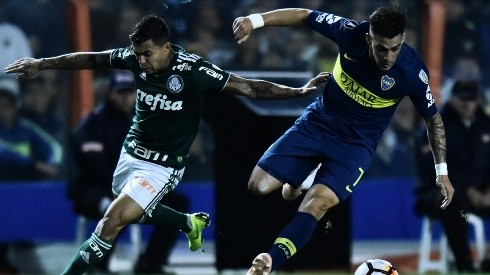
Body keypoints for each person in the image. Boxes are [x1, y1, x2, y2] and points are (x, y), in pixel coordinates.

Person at [5, 14, 330, 275]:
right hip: (131, 154)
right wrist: (42, 63)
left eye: (147, 54)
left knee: (111, 221)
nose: (141, 61)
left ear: (166, 47)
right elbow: (91, 59)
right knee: (128, 211)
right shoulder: (134, 59)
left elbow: (249, 87)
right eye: (137, 54)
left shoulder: (194, 70)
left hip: (163, 166)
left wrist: (298, 92)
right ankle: (189, 222)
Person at [232, 6, 455, 274]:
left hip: (356, 146)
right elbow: (305, 15)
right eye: (382, 48)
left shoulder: (412, 72)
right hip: (317, 123)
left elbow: (434, 120)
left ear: (403, 40)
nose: (388, 57)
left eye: (394, 48)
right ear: (368, 38)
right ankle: (300, 177)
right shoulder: (349, 32)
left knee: (318, 203)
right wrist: (254, 21)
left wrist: (441, 172)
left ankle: (269, 260)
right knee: (257, 186)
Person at [67, 70, 189, 274]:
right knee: (114, 207)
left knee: (177, 204)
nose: (126, 97)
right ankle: (98, 267)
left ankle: (150, 264)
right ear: (110, 93)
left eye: (130, 92)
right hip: (92, 191)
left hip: (132, 188)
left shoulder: (143, 121)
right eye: (120, 92)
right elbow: (94, 168)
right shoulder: (93, 124)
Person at [414, 80, 490, 272]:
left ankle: (488, 260)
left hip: (483, 193)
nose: (467, 104)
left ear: (478, 100)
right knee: (453, 202)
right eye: (462, 99)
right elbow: (431, 166)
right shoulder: (436, 124)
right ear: (453, 99)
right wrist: (468, 189)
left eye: (471, 99)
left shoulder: (486, 125)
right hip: (439, 192)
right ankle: (464, 264)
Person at [0, 76, 62, 180]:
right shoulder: (33, 164)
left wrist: (53, 163)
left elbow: (53, 148)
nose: (2, 111)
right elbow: (3, 153)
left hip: (26, 186)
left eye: (7, 106)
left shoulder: (26, 127)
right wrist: (36, 165)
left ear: (15, 107)